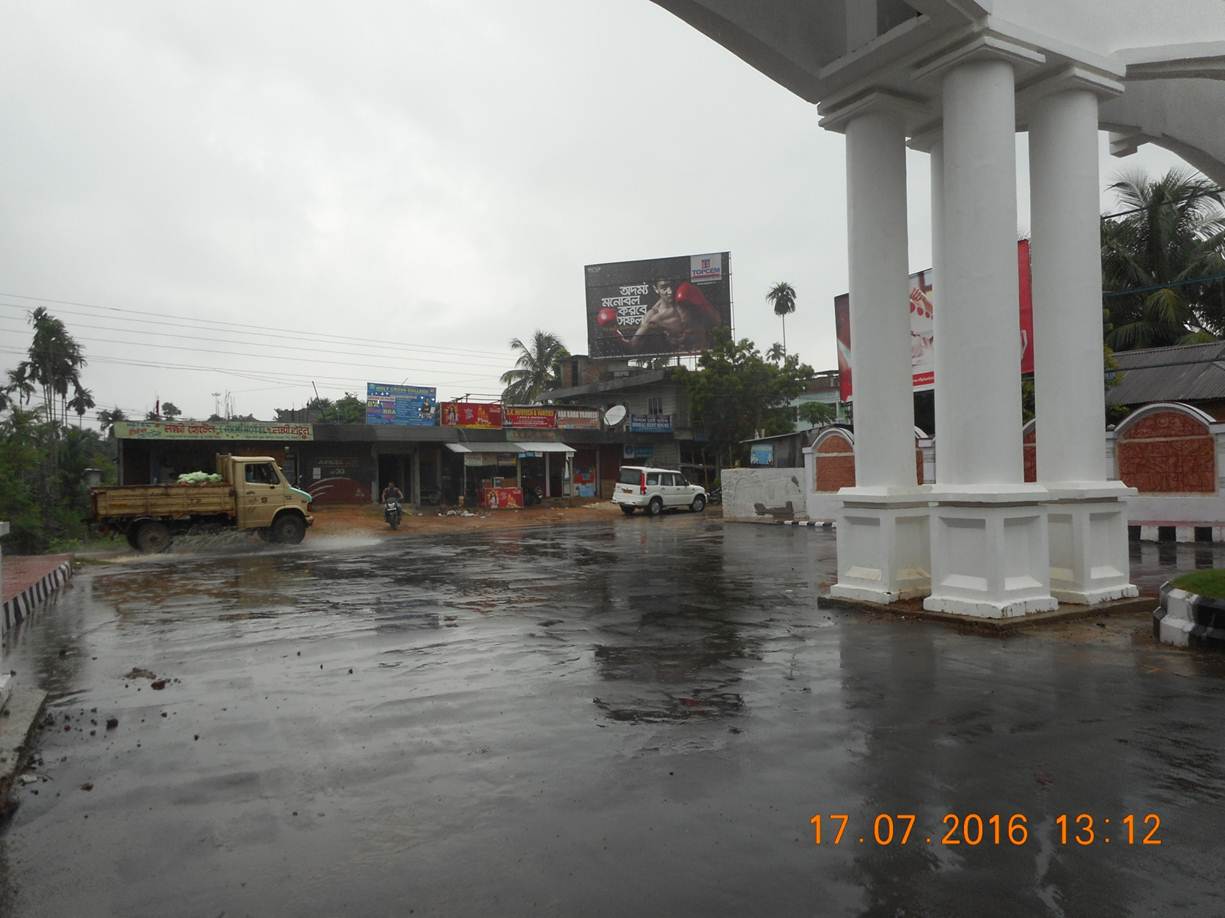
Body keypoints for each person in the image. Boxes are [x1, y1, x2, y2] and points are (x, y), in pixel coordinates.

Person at [616, 275, 721, 354]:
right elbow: (633, 346)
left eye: (671, 286)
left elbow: (717, 322)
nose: (670, 291)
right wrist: (614, 333)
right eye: (664, 287)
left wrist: (703, 303)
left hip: (706, 355)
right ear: (656, 289)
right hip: (681, 361)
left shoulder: (688, 299)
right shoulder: (653, 316)